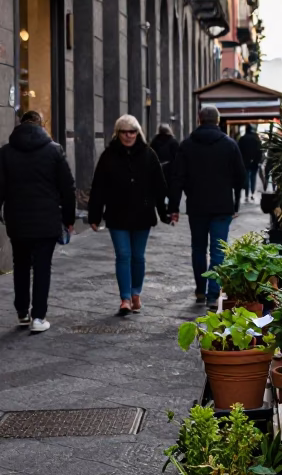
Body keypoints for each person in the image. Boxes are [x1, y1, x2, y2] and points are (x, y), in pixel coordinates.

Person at [0, 110, 76, 333]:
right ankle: (38, 317)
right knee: (43, 268)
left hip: (18, 219)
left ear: (20, 125)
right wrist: (69, 219)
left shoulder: (5, 152)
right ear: (41, 125)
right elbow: (68, 188)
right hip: (46, 220)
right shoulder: (54, 150)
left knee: (20, 265)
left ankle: (22, 313)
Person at [87, 115, 170, 316]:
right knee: (123, 255)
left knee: (138, 256)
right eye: (124, 132)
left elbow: (160, 187)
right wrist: (94, 215)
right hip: (117, 214)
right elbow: (98, 187)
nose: (128, 135)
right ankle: (125, 298)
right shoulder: (108, 155)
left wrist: (164, 213)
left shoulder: (149, 154)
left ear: (138, 133)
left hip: (142, 214)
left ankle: (136, 294)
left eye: (132, 131)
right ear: (118, 133)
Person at [168, 105, 246, 308]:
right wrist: (235, 203)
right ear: (218, 121)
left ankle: (200, 290)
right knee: (219, 251)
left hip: (197, 206)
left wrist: (174, 206)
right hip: (222, 206)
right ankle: (213, 294)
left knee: (198, 249)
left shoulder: (186, 145)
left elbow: (177, 178)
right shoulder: (229, 145)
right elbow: (240, 177)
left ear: (198, 120)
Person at [237, 124, 262, 202]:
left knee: (246, 177)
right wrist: (257, 160)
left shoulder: (242, 139)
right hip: (254, 161)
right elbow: (259, 150)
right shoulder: (256, 139)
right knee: (253, 177)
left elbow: (239, 151)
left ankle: (246, 194)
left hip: (245, 162)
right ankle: (252, 193)